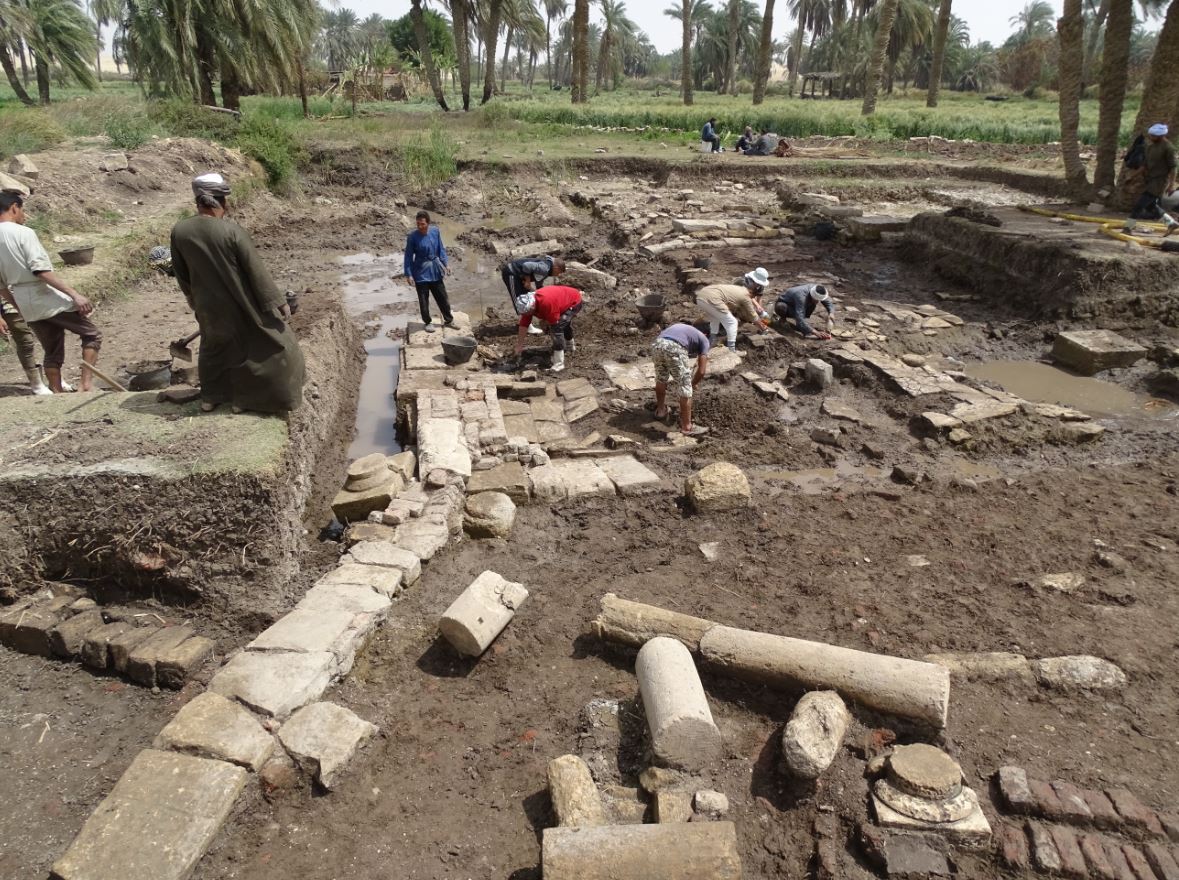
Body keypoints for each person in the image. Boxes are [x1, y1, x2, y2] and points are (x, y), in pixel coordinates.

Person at [170, 172, 305, 413]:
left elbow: (181, 273)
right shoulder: (232, 232)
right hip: (241, 304)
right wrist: (278, 303)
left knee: (214, 348)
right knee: (276, 346)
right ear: (223, 202)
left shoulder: (180, 231)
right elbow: (257, 272)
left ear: (198, 201)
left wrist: (193, 300)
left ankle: (211, 398)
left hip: (208, 306)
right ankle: (245, 401)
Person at [0, 191, 101, 393]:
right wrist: (75, 295)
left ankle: (56, 392)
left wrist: (19, 306)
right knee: (92, 334)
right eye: (22, 210)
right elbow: (40, 271)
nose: (24, 215)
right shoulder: (23, 233)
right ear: (14, 207)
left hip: (24, 302)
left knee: (52, 349)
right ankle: (85, 385)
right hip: (41, 295)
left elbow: (1, 286)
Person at [652, 322, 710, 437]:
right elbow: (702, 371)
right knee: (685, 386)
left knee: (661, 378)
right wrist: (693, 384)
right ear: (706, 333)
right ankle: (687, 427)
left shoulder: (683, 329)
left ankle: (661, 411)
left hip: (657, 344)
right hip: (675, 347)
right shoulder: (704, 339)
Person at [403, 210, 455, 332]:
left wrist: (446, 264)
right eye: (418, 224)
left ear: (428, 223)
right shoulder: (412, 237)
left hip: (435, 269)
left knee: (442, 297)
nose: (420, 226)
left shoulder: (435, 231)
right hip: (420, 271)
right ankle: (427, 322)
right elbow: (408, 256)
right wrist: (408, 274)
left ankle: (449, 320)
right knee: (423, 299)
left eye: (422, 224)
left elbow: (440, 249)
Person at [696, 268, 771, 351]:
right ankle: (731, 350)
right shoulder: (742, 286)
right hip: (715, 299)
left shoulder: (751, 287)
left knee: (716, 317)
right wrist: (763, 327)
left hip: (703, 295)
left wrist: (760, 311)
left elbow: (753, 303)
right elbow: (752, 314)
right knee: (732, 322)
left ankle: (712, 339)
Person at [514, 284, 583, 373]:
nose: (527, 314)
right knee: (562, 324)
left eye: (528, 312)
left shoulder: (546, 303)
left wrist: (545, 322)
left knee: (558, 328)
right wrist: (519, 345)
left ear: (532, 306)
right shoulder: (528, 307)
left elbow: (555, 324)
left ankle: (559, 364)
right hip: (561, 301)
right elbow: (523, 325)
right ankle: (569, 346)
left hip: (574, 301)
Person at [1128, 123, 1178, 235]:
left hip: (1159, 182)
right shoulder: (1150, 147)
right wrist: (1133, 176)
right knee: (1151, 206)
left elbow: (1173, 168)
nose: (1150, 137)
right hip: (1149, 180)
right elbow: (1144, 166)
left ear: (1160, 136)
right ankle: (1170, 223)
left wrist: (1171, 185)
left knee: (1138, 206)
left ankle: (1127, 228)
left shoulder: (1168, 148)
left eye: (1153, 135)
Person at [501, 254, 565, 334]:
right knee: (518, 299)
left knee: (527, 299)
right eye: (559, 272)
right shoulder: (545, 268)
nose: (558, 275)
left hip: (520, 276)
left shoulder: (546, 270)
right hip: (512, 272)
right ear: (556, 268)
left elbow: (539, 286)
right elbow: (527, 266)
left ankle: (523, 323)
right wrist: (528, 281)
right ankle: (527, 327)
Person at [0, 298, 51, 394]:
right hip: (8, 305)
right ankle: (37, 384)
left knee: (48, 336)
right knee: (25, 341)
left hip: (30, 298)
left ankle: (54, 379)